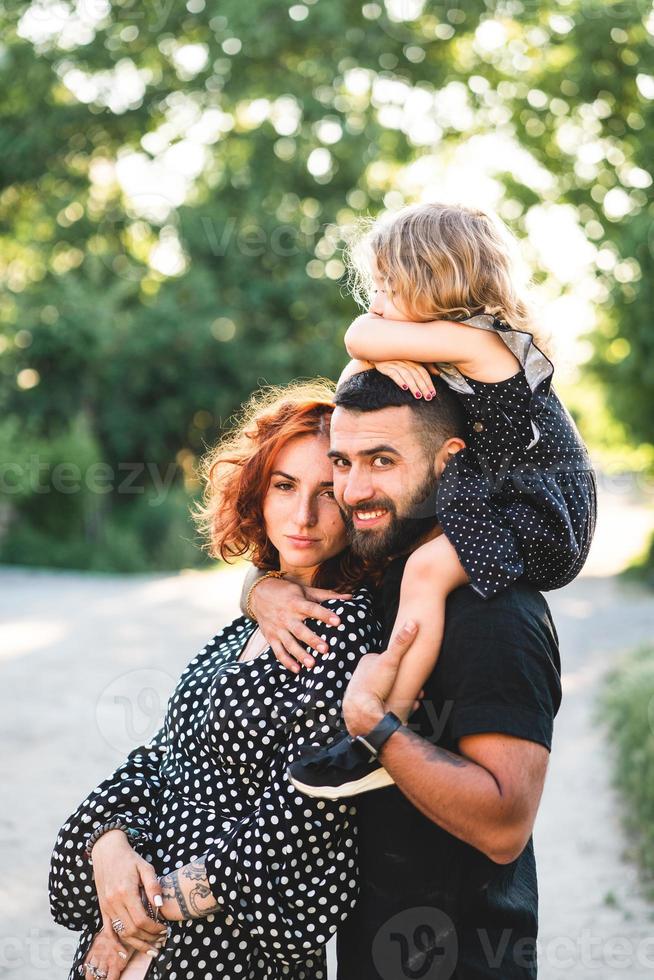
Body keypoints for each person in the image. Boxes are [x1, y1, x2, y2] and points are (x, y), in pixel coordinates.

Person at [48, 381, 391, 980]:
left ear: (358, 504)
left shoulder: (345, 632)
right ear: (258, 492)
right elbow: (161, 760)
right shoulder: (250, 622)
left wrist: (138, 914)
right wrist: (107, 847)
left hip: (221, 954)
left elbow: (308, 821)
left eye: (328, 494)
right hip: (139, 931)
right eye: (285, 486)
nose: (303, 515)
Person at [246, 368, 563, 979]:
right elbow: (284, 548)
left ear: (450, 463)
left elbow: (504, 827)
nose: (353, 489)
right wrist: (260, 591)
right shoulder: (389, 568)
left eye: (383, 460)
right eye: (344, 461)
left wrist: (375, 726)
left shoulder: (493, 610)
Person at [290, 201, 595, 796]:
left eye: (387, 285)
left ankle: (381, 732)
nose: (374, 300)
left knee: (427, 571)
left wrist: (379, 345)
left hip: (543, 514)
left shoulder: (489, 347)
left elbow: (357, 336)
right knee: (412, 565)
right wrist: (383, 353)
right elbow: (354, 378)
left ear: (436, 282)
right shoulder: (447, 347)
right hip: (499, 499)